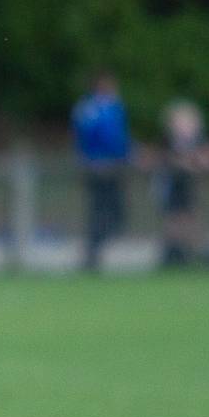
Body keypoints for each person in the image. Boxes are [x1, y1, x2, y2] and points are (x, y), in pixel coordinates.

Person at [72, 70, 131, 272]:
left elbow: (121, 137)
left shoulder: (114, 107)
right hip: (98, 167)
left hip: (114, 166)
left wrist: (129, 153)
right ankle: (91, 253)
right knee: (99, 211)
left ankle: (94, 250)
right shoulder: (90, 108)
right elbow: (95, 137)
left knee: (114, 212)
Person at [154, 99, 209, 268]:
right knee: (173, 223)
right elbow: (169, 160)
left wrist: (197, 162)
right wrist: (189, 162)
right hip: (172, 188)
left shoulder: (199, 141)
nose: (184, 126)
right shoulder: (168, 141)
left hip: (190, 189)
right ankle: (174, 257)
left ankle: (195, 257)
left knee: (193, 221)